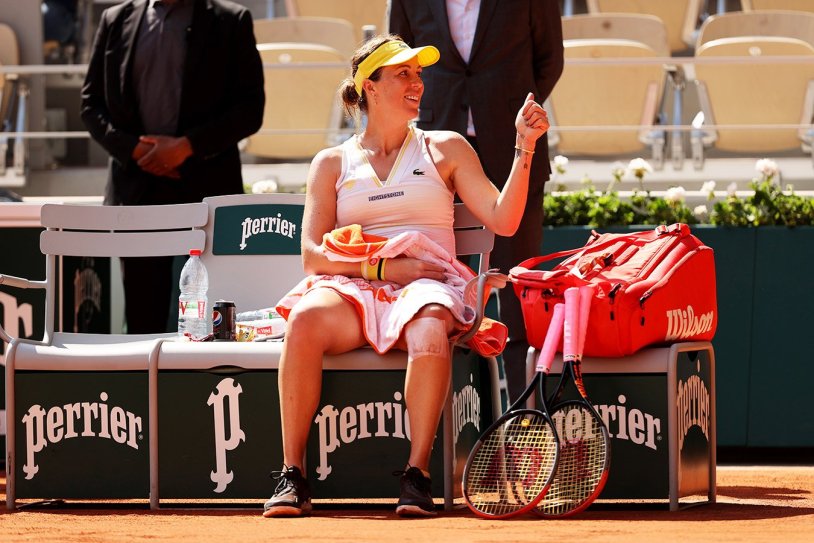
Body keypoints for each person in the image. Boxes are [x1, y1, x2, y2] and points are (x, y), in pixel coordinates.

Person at [262, 34, 549, 518]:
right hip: (358, 287)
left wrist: (525, 146)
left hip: (426, 288)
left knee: (432, 321)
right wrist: (382, 267)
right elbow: (313, 258)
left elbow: (503, 220)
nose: (417, 83)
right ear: (370, 87)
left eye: (418, 74)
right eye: (403, 74)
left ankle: (416, 476)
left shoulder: (446, 148)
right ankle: (292, 475)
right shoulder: (330, 163)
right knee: (307, 319)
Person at [388, 0, 564, 403]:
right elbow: (400, 53)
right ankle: (454, 416)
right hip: (434, 152)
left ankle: (523, 417)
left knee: (518, 285)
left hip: (515, 147)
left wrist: (508, 108)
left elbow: (549, 60)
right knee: (439, 289)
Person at [80, 0, 264, 334]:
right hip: (137, 195)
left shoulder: (231, 20)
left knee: (214, 325)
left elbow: (251, 109)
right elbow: (91, 106)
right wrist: (136, 150)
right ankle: (143, 387)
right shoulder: (114, 20)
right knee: (141, 322)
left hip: (207, 196)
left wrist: (187, 147)